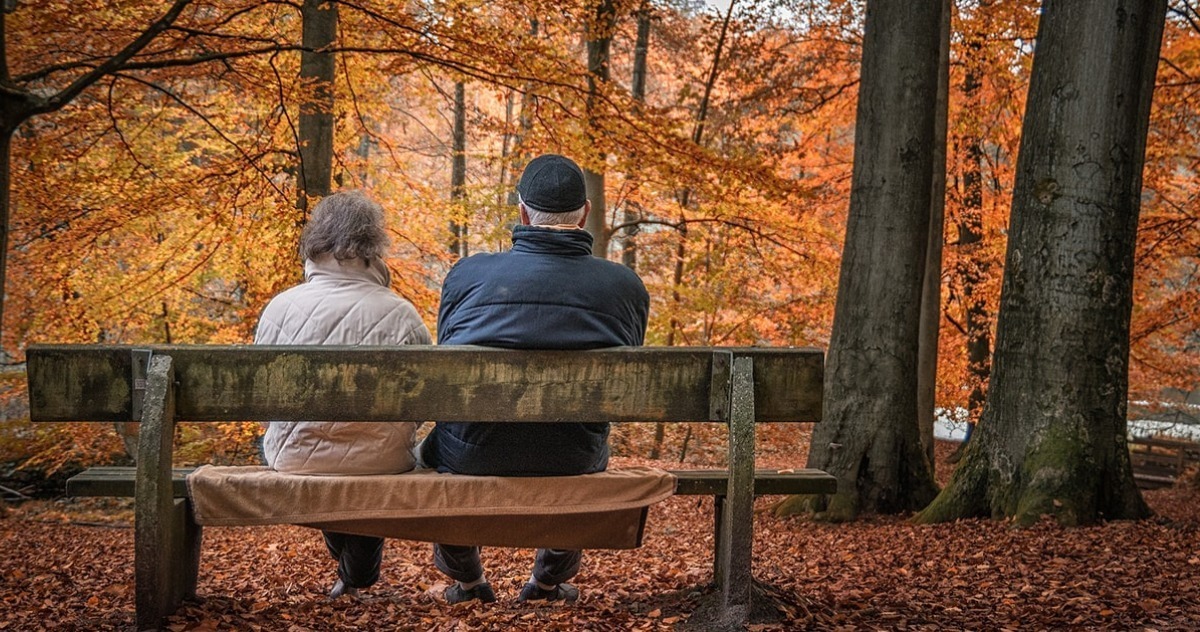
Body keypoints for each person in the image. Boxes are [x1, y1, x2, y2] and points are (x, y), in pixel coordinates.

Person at [419, 153, 650, 605]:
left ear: (522, 212)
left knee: (441, 445)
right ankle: (546, 583)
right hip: (572, 455)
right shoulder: (624, 287)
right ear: (584, 214)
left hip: (473, 453)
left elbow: (449, 355)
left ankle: (467, 583)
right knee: (577, 441)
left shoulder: (467, 275)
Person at [255, 190, 432, 600]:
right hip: (383, 459)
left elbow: (264, 402)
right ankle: (358, 575)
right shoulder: (401, 313)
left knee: (331, 464)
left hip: (293, 457)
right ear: (374, 247)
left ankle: (354, 575)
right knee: (366, 462)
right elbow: (423, 402)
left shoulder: (279, 309)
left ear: (315, 243)